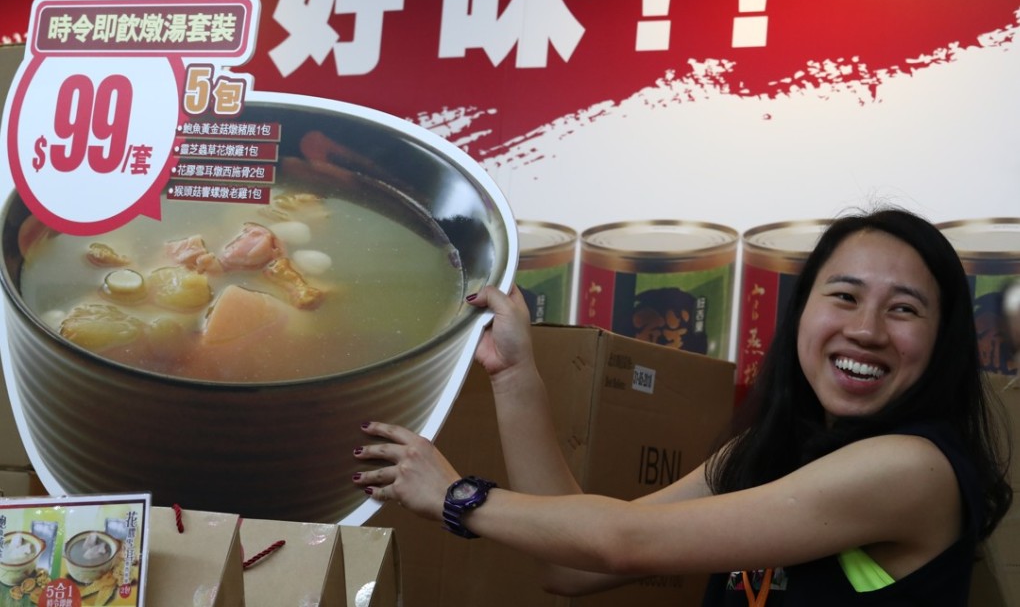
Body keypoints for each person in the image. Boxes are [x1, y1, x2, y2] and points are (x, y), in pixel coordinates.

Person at [352, 208, 1013, 605]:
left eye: (904, 309)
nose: (866, 329)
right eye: (844, 296)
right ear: (802, 312)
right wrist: (514, 373)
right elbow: (573, 565)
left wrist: (457, 496)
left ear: (943, 343)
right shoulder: (764, 453)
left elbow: (625, 542)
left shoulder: (912, 470)